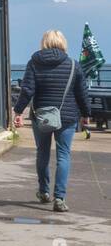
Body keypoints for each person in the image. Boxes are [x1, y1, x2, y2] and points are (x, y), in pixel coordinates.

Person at [13, 30, 89, 212]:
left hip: (41, 116)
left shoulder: (34, 63)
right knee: (63, 155)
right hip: (67, 117)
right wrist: (86, 114)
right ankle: (60, 199)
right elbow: (82, 93)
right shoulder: (73, 65)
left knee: (43, 153)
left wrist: (18, 111)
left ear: (44, 43)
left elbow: (27, 90)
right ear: (63, 43)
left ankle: (44, 191)